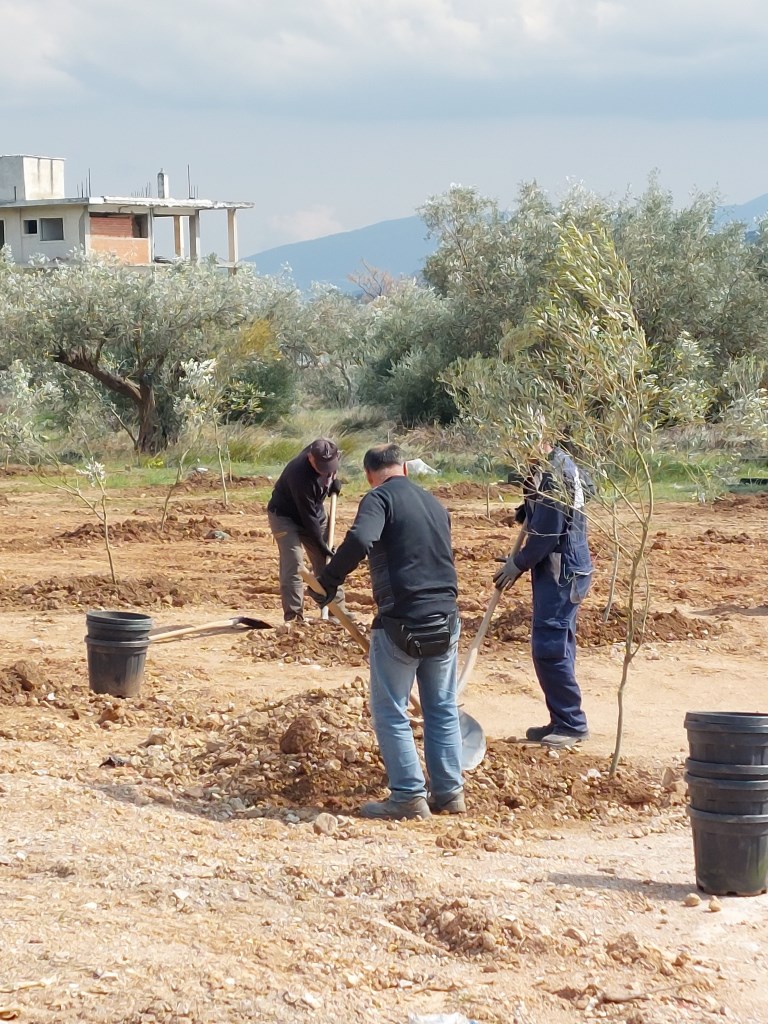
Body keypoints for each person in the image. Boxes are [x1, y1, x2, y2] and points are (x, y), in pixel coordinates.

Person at [310, 443, 464, 820]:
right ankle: (449, 793)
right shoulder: (433, 503)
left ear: (368, 475)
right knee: (441, 708)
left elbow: (362, 539)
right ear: (405, 470)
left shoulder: (378, 499)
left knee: (390, 710)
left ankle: (409, 796)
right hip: (446, 620)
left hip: (401, 623)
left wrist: (328, 580)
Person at [493, 443, 593, 748]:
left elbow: (549, 531)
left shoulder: (555, 474)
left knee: (549, 647)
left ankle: (571, 723)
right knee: (558, 645)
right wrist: (529, 509)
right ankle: (561, 718)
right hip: (567, 569)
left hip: (561, 571)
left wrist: (518, 563)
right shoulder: (556, 467)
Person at [267, 438, 343, 623]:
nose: (326, 470)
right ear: (310, 458)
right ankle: (294, 617)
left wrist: (333, 484)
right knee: (294, 563)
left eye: (330, 466)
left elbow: (328, 476)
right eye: (322, 467)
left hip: (314, 513)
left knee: (328, 563)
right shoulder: (298, 474)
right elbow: (307, 518)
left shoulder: (329, 458)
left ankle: (337, 614)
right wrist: (320, 544)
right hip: (285, 517)